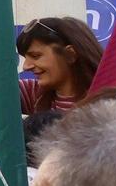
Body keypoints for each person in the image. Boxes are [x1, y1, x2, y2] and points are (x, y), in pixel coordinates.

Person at [15, 15, 101, 149]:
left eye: (35, 56)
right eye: (25, 57)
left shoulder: (110, 99)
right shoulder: (34, 93)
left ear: (70, 54)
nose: (26, 66)